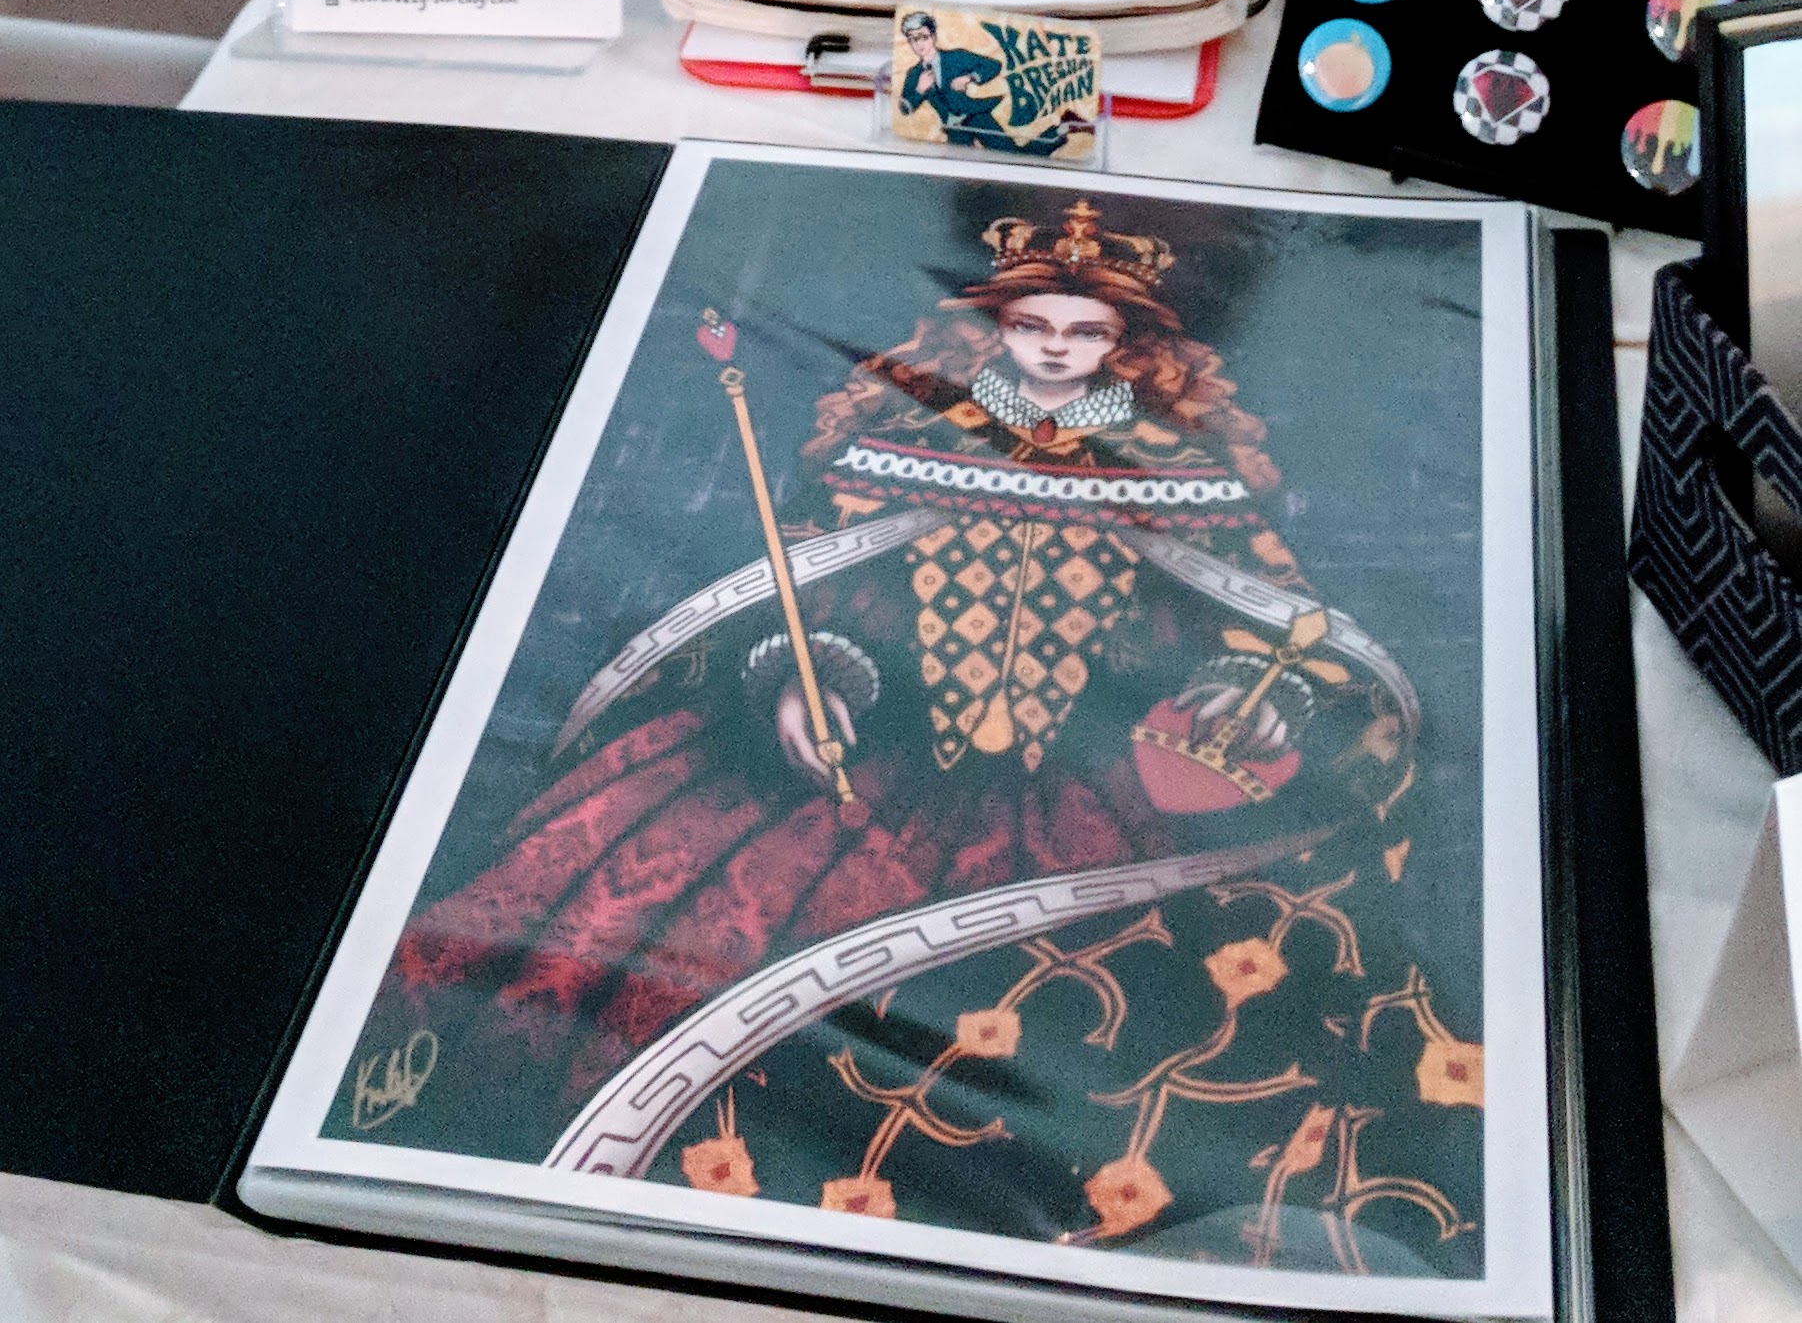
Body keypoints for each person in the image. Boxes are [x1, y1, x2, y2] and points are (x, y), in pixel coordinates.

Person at [351, 198, 1418, 1144]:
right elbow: (819, 588)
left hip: (1089, 775)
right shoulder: (910, 438)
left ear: (1123, 342)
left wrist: (1252, 689)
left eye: (1085, 331)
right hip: (873, 753)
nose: (1056, 348)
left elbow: (1263, 612)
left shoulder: (1180, 469)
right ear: (997, 327)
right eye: (1032, 325)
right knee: (616, 933)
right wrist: (809, 676)